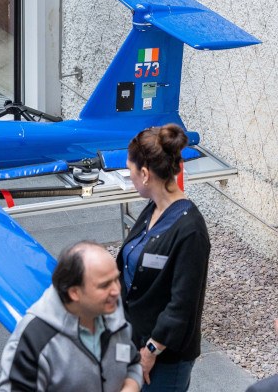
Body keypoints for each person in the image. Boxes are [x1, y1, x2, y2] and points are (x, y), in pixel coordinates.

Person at [118, 124, 210, 392]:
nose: (129, 177)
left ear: (145, 175)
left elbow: (182, 306)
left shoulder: (190, 230)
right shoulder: (154, 208)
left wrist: (149, 352)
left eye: (130, 171)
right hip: (135, 345)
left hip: (163, 361)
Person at [0, 240, 142, 392]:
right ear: (74, 292)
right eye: (104, 285)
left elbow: (132, 361)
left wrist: (131, 385)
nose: (116, 291)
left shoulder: (112, 310)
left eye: (116, 279)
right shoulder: (34, 338)